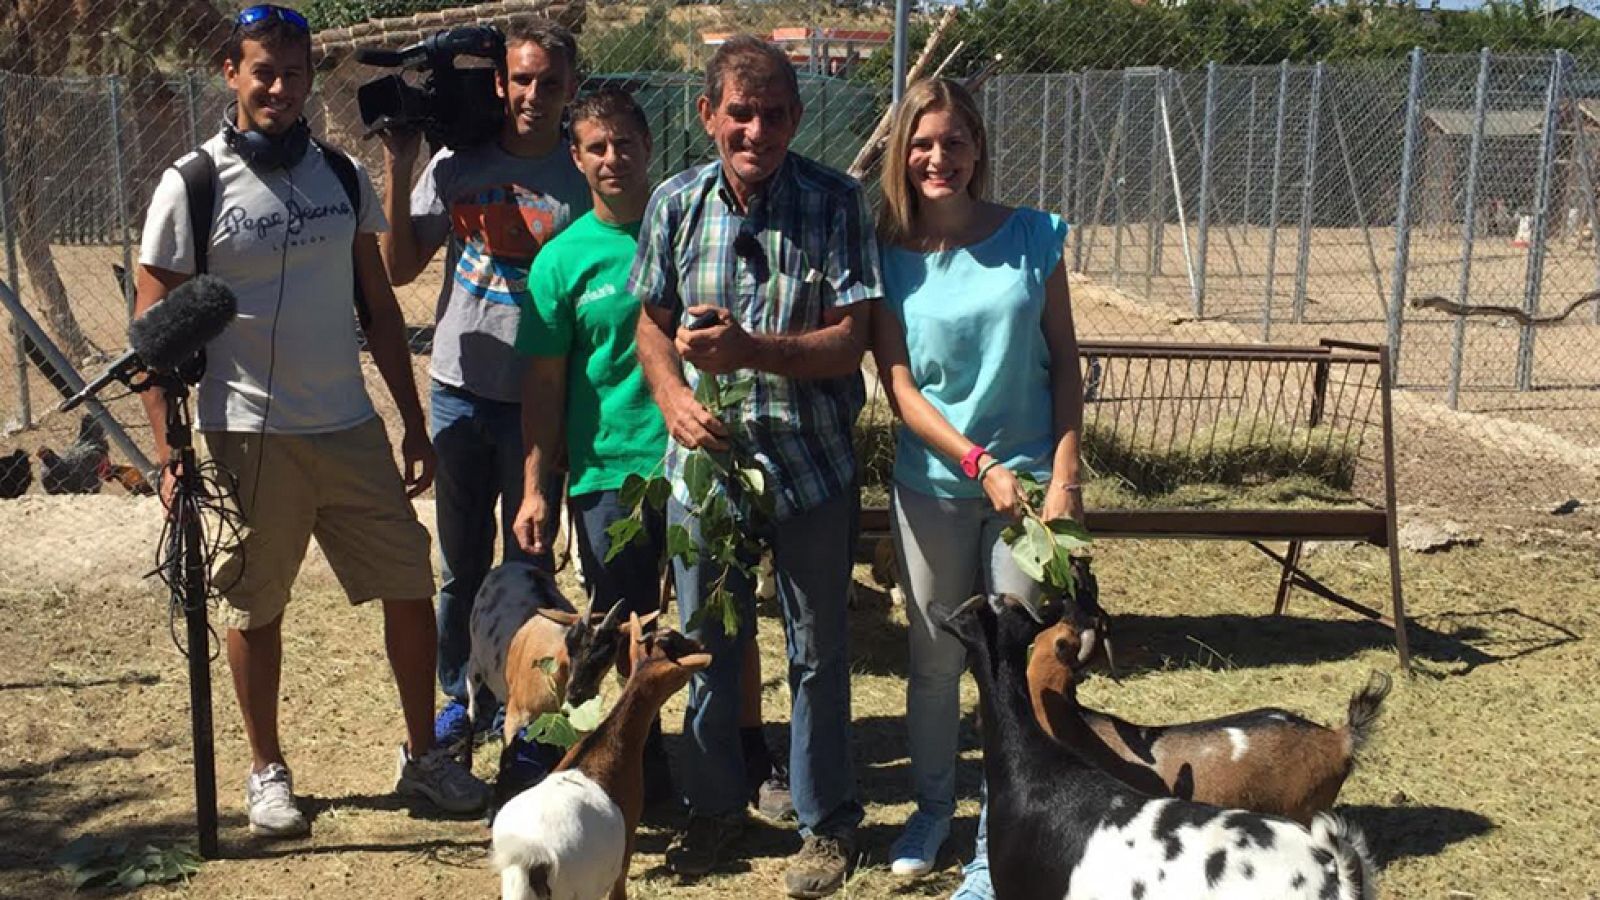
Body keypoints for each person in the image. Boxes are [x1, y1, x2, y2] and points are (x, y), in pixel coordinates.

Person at [132, 4, 488, 838]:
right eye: (264, 72)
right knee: (257, 604)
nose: (281, 89)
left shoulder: (340, 174)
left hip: (347, 425)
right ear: (231, 73)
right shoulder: (193, 183)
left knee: (409, 580)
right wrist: (166, 453)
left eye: (294, 74)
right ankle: (266, 771)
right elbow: (150, 329)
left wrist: (411, 418)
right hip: (246, 432)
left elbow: (378, 306)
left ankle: (422, 755)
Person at [632, 34, 881, 899]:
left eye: (775, 113)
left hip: (810, 461)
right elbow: (651, 323)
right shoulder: (674, 203)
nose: (757, 130)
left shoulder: (837, 202)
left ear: (797, 117)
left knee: (818, 648)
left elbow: (851, 341)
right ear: (708, 115)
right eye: (741, 112)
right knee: (707, 644)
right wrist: (671, 396)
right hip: (707, 466)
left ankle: (825, 823)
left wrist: (749, 354)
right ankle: (713, 810)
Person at [869, 77, 1086, 899]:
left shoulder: (1035, 236)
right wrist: (977, 465)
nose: (938, 158)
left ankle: (1005, 837)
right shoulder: (888, 252)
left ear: (978, 148)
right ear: (902, 154)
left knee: (1014, 671)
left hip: (1029, 493)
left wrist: (1062, 477)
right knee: (932, 660)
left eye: (954, 141)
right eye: (921, 143)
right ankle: (931, 811)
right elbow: (900, 388)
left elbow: (1066, 361)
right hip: (936, 485)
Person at [378, 17, 590, 753]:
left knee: (528, 567)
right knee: (458, 566)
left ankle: (522, 706)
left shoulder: (582, 178)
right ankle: (454, 698)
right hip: (460, 389)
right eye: (522, 79)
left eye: (550, 82)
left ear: (570, 89)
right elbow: (399, 268)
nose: (534, 94)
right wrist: (402, 167)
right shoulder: (456, 167)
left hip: (540, 402)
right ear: (500, 82)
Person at [511, 86, 675, 793]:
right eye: (597, 148)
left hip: (694, 463)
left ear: (649, 146)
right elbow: (545, 388)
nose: (615, 159)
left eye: (626, 143)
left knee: (703, 625)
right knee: (617, 633)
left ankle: (737, 760)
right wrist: (535, 488)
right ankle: (627, 764)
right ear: (576, 159)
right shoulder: (560, 261)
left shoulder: (688, 227)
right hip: (610, 471)